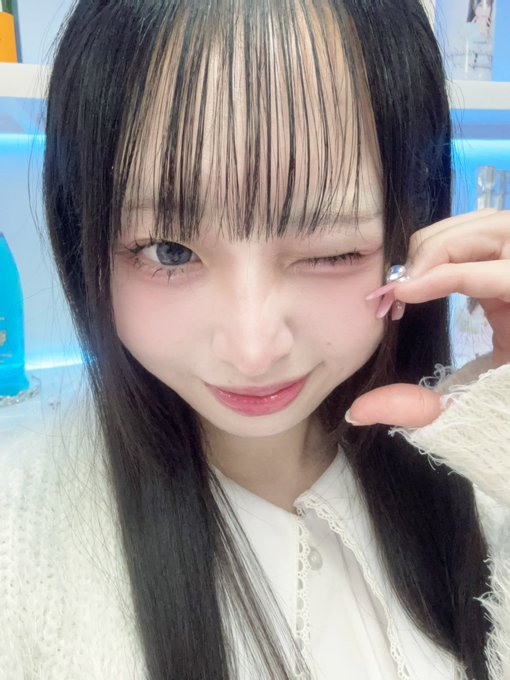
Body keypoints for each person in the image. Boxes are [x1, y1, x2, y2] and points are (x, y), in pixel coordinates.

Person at [1, 0, 509, 678]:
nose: (252, 349)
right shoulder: (17, 539)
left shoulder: (484, 480)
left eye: (330, 251)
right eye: (170, 251)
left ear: (408, 229)